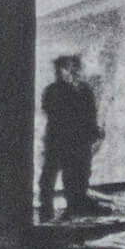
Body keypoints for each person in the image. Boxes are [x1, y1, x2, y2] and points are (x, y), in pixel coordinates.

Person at [39, 54, 101, 220]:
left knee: (75, 178)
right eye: (65, 69)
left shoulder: (84, 90)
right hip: (57, 141)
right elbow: (52, 111)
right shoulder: (53, 90)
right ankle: (46, 213)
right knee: (48, 179)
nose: (70, 72)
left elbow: (90, 115)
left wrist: (92, 134)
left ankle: (73, 209)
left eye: (73, 68)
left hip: (76, 142)